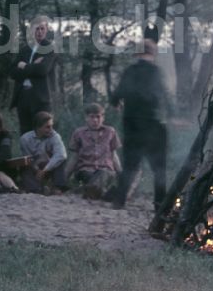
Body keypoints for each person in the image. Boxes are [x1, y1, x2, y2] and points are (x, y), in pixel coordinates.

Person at [109, 38, 170, 210]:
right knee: (159, 169)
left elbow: (116, 96)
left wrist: (118, 103)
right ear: (153, 53)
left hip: (132, 126)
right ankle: (159, 205)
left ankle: (119, 202)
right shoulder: (156, 72)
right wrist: (174, 115)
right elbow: (164, 95)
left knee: (129, 166)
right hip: (153, 126)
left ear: (138, 53)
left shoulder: (130, 71)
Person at [9, 19, 56, 136]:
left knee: (43, 132)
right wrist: (33, 66)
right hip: (23, 96)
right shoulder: (25, 49)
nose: (39, 32)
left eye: (42, 29)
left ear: (46, 30)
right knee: (25, 133)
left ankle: (44, 155)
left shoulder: (49, 48)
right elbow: (12, 71)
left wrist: (24, 66)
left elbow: (43, 70)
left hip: (40, 97)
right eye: (36, 29)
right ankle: (27, 155)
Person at [67, 103, 122, 200]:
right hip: (85, 171)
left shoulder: (110, 132)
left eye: (98, 117)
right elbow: (74, 157)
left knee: (103, 173)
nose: (95, 120)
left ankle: (86, 190)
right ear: (86, 118)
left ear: (103, 118)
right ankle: (103, 194)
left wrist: (121, 175)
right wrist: (64, 177)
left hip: (106, 171)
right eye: (92, 117)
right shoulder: (78, 133)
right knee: (92, 178)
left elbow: (114, 156)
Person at [18, 111, 68, 194]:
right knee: (24, 165)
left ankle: (57, 187)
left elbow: (61, 154)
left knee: (61, 161)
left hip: (49, 166)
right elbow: (28, 158)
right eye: (47, 127)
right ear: (38, 127)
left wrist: (45, 170)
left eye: (52, 126)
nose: (51, 129)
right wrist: (37, 170)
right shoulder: (25, 139)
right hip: (35, 167)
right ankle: (37, 189)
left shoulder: (55, 136)